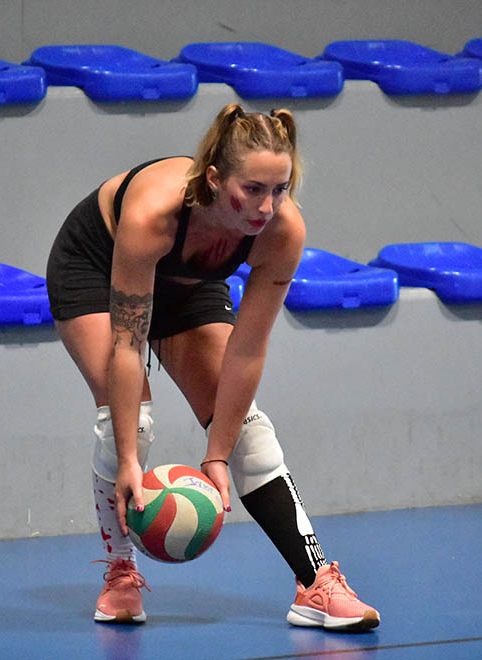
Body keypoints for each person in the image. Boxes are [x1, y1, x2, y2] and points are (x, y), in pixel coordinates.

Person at [46, 103, 379, 632]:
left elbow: (248, 351)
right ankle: (120, 572)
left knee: (248, 427)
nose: (266, 206)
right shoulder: (154, 214)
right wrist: (130, 458)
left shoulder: (281, 231)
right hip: (95, 265)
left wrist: (217, 453)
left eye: (281, 189)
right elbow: (128, 346)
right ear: (214, 179)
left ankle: (316, 584)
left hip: (188, 284)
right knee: (129, 424)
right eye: (253, 189)